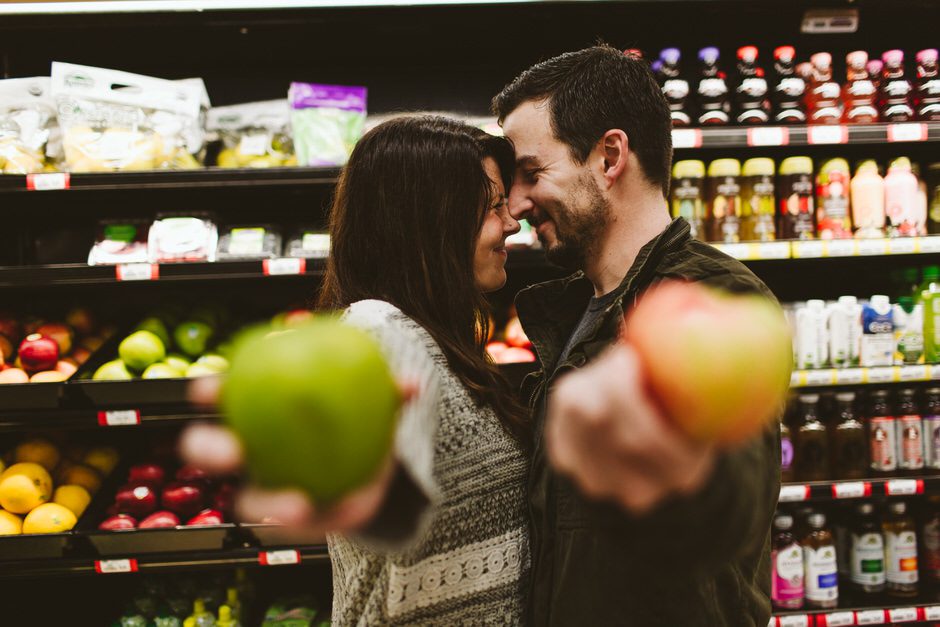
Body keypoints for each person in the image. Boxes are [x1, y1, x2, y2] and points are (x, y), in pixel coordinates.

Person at [184, 115, 533, 625]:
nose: (511, 223)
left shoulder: (445, 340)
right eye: (492, 207)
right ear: (428, 222)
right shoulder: (381, 328)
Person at [490, 44, 780, 626]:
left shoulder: (708, 297)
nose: (517, 205)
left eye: (532, 173)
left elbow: (727, 505)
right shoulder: (578, 310)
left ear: (610, 156)